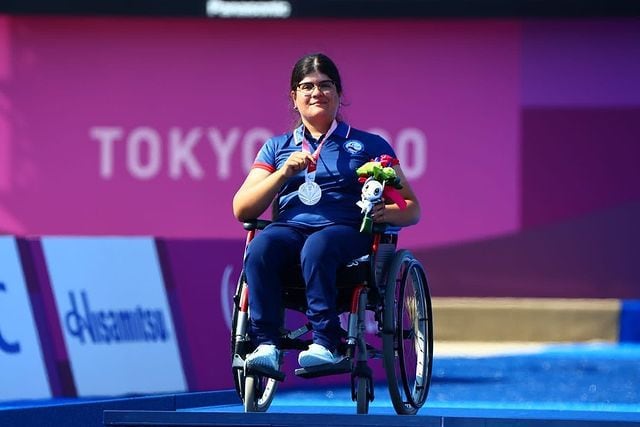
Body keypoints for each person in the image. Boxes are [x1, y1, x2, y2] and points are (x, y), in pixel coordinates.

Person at [232, 53, 420, 372]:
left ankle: (326, 342)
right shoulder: (277, 147)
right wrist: (282, 175)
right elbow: (242, 208)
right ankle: (265, 344)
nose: (316, 92)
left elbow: (411, 209)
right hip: (290, 228)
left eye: (325, 85)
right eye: (306, 86)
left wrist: (381, 214)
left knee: (318, 247)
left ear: (339, 93)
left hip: (346, 230)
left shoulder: (370, 145)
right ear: (294, 98)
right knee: (261, 248)